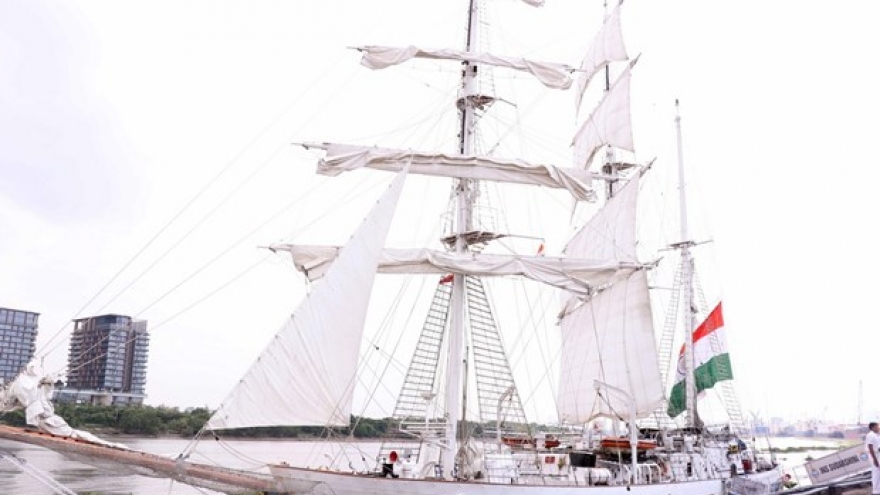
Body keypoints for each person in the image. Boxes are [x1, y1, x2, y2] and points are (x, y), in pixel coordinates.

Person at [866, 422, 880, 495]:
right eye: (878, 426)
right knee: (876, 474)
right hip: (875, 457)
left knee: (878, 474)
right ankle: (876, 491)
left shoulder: (875, 435)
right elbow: (870, 447)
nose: (879, 427)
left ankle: (877, 490)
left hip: (877, 455)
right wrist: (875, 459)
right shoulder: (871, 435)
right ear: (873, 427)